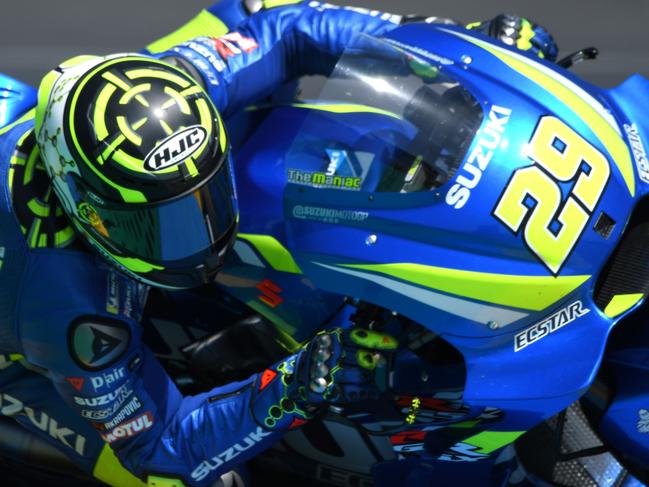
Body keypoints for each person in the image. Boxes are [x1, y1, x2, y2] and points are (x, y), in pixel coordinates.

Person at [0, 1, 559, 486]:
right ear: (85, 208)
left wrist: (451, 54)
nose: (196, 239)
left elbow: (289, 27)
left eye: (202, 200)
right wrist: (291, 388)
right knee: (193, 481)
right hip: (19, 346)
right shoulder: (63, 301)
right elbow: (159, 447)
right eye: (156, 225)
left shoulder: (178, 86)